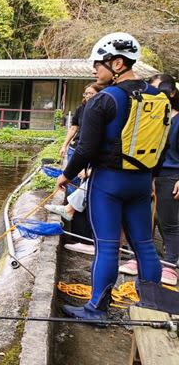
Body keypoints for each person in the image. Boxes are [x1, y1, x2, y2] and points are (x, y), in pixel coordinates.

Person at [56, 32, 171, 321]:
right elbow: (163, 144)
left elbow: (85, 149)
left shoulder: (104, 99)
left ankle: (97, 308)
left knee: (107, 246)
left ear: (117, 63)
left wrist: (66, 176)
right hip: (142, 182)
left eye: (99, 64)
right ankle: (151, 310)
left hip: (108, 183)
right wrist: (150, 177)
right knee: (144, 245)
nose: (95, 70)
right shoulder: (159, 98)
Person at [119, 73, 179, 285]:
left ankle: (171, 266)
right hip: (147, 173)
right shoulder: (149, 115)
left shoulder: (177, 119)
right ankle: (140, 258)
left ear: (171, 93)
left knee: (168, 222)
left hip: (172, 175)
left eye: (159, 89)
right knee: (143, 221)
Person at [46, 82, 104, 226]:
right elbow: (73, 128)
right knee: (72, 183)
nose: (88, 96)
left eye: (91, 93)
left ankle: (77, 221)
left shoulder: (101, 110)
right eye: (86, 93)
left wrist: (89, 170)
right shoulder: (81, 109)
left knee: (84, 186)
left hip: (90, 151)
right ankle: (69, 217)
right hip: (76, 148)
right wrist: (64, 145)